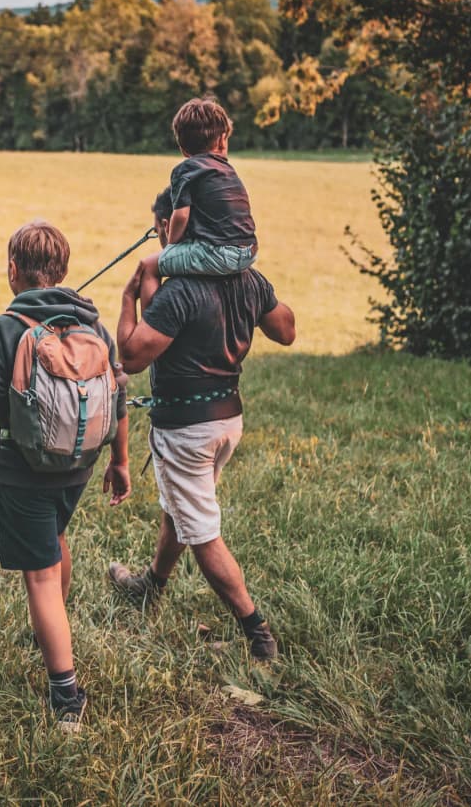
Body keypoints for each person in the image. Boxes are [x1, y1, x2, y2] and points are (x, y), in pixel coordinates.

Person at [0, 220, 132, 731]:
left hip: (24, 471)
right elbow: (120, 398)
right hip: (80, 465)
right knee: (56, 538)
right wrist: (121, 461)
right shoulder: (94, 325)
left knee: (39, 575)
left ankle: (66, 698)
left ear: (13, 269)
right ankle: (53, 628)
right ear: (63, 270)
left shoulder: (4, 328)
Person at [108, 196, 295, 661]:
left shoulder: (179, 293)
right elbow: (287, 330)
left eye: (158, 231)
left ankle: (258, 634)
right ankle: (150, 586)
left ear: (172, 229)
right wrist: (258, 289)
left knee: (202, 534)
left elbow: (131, 355)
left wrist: (129, 295)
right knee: (181, 507)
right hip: (228, 422)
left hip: (187, 431)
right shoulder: (248, 280)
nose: (158, 240)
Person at [136, 97, 260, 310]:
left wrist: (172, 246)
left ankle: (150, 324)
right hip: (249, 251)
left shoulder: (185, 170)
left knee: (148, 267)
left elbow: (182, 215)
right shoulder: (228, 170)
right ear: (222, 141)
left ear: (183, 149)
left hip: (221, 253)